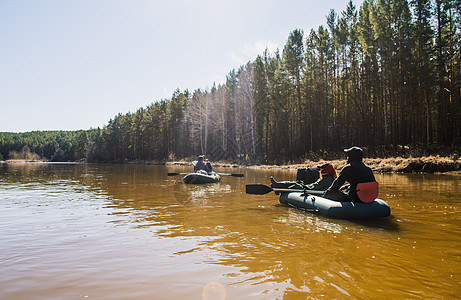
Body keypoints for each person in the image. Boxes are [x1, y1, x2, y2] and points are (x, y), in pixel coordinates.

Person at [270, 163, 337, 191]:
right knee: (298, 182)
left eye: (322, 169)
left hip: (310, 189)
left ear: (327, 171)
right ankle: (277, 185)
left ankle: (277, 185)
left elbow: (313, 187)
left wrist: (302, 185)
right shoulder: (330, 178)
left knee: (296, 183)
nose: (321, 170)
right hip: (312, 188)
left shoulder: (325, 180)